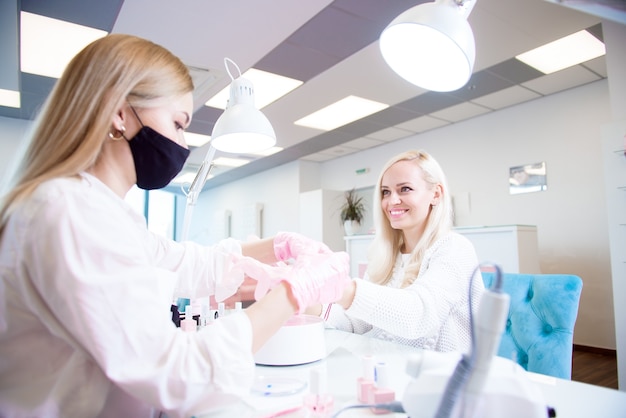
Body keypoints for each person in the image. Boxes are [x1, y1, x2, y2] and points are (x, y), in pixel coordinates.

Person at [0, 34, 350, 418]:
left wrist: (278, 247)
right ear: (120, 113)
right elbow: (181, 376)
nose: (183, 144)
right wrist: (293, 291)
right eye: (179, 123)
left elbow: (180, 262)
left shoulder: (99, 209)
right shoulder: (67, 211)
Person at [309, 150, 484, 353]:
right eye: (386, 192)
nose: (392, 201)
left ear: (435, 194)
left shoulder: (455, 249)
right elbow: (357, 323)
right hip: (392, 371)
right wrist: (304, 300)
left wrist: (340, 287)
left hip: (446, 378)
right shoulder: (385, 256)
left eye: (405, 189)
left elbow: (418, 316)